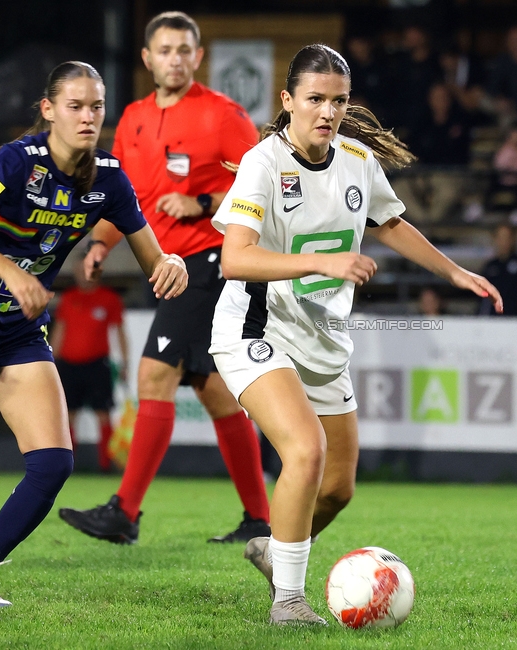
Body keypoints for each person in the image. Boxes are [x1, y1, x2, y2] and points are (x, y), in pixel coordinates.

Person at [211, 44, 502, 624]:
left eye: (338, 101)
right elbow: (234, 260)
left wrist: (455, 272)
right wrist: (322, 264)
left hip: (322, 337)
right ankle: (289, 601)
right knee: (305, 450)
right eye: (315, 99)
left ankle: (277, 549)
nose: (326, 111)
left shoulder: (356, 160)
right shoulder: (263, 163)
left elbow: (391, 224)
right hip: (255, 329)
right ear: (288, 100)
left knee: (339, 488)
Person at [0, 60, 188, 608]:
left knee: (54, 463)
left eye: (96, 106)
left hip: (16, 332)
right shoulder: (16, 161)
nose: (87, 116)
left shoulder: (110, 178)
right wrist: (11, 271)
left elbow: (153, 257)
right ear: (48, 110)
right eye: (74, 106)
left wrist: (172, 264)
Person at [58, 12, 270, 546]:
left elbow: (265, 191)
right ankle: (259, 520)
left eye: (184, 50)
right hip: (170, 269)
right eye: (165, 50)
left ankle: (124, 513)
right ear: (148, 59)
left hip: (212, 264)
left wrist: (202, 202)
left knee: (154, 377)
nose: (175, 58)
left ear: (198, 58)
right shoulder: (130, 118)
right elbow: (124, 200)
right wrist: (101, 243)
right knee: (219, 394)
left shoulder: (224, 116)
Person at [50, 260, 128, 470]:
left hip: (96, 364)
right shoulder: (69, 298)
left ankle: (106, 463)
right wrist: (50, 361)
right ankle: (67, 464)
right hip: (68, 364)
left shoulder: (109, 299)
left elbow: (119, 332)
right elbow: (60, 330)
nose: (82, 275)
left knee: (103, 413)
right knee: (68, 414)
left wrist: (124, 362)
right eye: (79, 270)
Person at [391, 83, 471, 224]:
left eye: (444, 97)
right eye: (436, 97)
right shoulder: (422, 122)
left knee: (448, 193)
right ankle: (425, 225)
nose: (440, 101)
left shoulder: (460, 121)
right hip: (424, 172)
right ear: (430, 99)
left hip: (450, 175)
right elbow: (414, 149)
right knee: (398, 189)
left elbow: (459, 154)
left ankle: (429, 226)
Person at [478, 223, 517, 317]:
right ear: (495, 239)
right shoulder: (490, 266)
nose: (504, 241)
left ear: (513, 239)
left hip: (515, 318)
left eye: (507, 237)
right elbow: (482, 296)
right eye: (500, 237)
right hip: (492, 318)